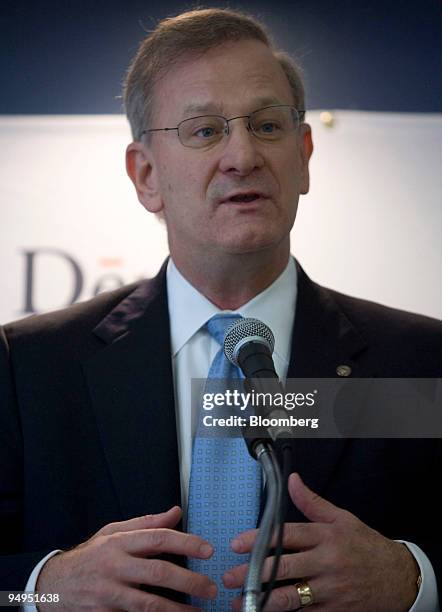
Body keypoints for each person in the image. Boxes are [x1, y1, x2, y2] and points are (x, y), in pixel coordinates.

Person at [0, 7, 440, 611]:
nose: (243, 156)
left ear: (305, 154)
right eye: (204, 130)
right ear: (146, 174)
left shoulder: (418, 361)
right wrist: (41, 589)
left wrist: (414, 580)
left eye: (266, 125)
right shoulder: (29, 367)